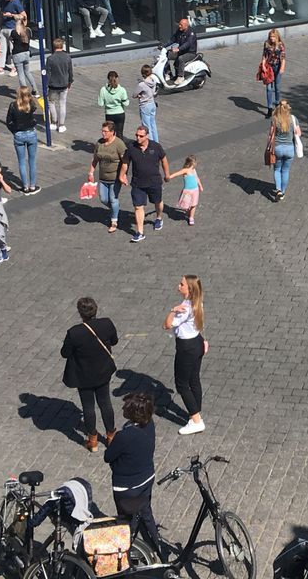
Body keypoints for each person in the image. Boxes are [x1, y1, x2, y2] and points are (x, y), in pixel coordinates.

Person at [105, 392, 162, 556]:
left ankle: (126, 550)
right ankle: (158, 548)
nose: (123, 408)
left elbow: (108, 456)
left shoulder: (124, 436)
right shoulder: (149, 424)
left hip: (126, 487)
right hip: (147, 479)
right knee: (146, 512)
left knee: (125, 521)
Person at [62, 296, 120, 452]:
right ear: (96, 309)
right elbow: (114, 341)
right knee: (105, 403)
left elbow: (65, 353)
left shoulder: (74, 333)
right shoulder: (106, 323)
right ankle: (111, 436)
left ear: (80, 313)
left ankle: (92, 440)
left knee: (88, 406)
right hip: (102, 372)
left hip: (83, 376)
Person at [165, 275, 207, 435]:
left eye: (181, 284)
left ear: (189, 289)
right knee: (194, 379)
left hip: (186, 347)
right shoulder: (197, 302)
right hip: (197, 342)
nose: (178, 286)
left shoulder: (184, 308)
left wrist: (172, 311)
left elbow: (167, 325)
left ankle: (196, 420)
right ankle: (195, 412)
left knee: (182, 384)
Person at [119, 125, 169, 243]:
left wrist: (167, 174)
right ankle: (140, 232)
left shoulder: (156, 147)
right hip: (138, 183)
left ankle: (159, 217)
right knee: (138, 206)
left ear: (147, 136)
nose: (138, 138)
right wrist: (122, 175)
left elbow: (164, 160)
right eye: (136, 135)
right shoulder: (131, 148)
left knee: (158, 202)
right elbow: (125, 163)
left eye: (141, 136)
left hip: (154, 181)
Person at [88, 122, 127, 233]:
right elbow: (95, 159)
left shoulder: (119, 144)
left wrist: (123, 175)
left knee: (113, 199)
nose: (103, 133)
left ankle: (114, 222)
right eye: (102, 131)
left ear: (112, 132)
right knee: (104, 199)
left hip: (115, 178)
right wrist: (91, 172)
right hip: (103, 178)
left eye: (105, 131)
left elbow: (125, 162)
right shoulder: (99, 143)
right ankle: (116, 210)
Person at [5, 87, 40, 194]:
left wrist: (15, 131)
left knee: (21, 161)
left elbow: (8, 121)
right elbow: (34, 113)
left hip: (19, 134)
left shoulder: (13, 105)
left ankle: (25, 187)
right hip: (31, 133)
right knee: (32, 161)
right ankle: (33, 186)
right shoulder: (31, 104)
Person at [268, 101, 301, 201]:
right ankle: (282, 192)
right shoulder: (293, 119)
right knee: (285, 171)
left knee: (277, 169)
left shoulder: (275, 119)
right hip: (289, 149)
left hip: (278, 148)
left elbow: (271, 134)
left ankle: (278, 190)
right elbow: (298, 133)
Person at [0, 0, 25, 75]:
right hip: (3, 27)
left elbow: (23, 15)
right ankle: (0, 67)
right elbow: (1, 13)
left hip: (12, 28)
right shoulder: (3, 2)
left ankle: (15, 67)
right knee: (2, 49)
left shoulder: (16, 2)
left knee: (12, 48)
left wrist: (12, 15)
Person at [45, 37, 72, 133]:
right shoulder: (67, 57)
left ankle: (54, 122)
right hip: (64, 84)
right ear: (62, 46)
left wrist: (45, 84)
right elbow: (70, 71)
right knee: (62, 104)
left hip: (53, 85)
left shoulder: (50, 59)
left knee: (51, 103)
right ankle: (61, 125)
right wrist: (70, 82)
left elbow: (48, 73)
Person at [167, 155, 203, 225]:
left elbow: (197, 178)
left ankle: (191, 217)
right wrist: (169, 177)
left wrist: (200, 186)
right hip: (188, 192)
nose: (196, 164)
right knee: (187, 205)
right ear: (192, 163)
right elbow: (176, 174)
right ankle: (188, 212)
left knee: (194, 204)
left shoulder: (194, 170)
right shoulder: (185, 170)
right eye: (195, 163)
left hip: (195, 190)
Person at [261, 28, 287, 117]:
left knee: (277, 87)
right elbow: (264, 55)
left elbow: (283, 58)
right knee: (268, 88)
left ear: (277, 37)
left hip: (277, 67)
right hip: (269, 68)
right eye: (270, 36)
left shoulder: (280, 45)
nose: (272, 38)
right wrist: (263, 65)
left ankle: (277, 104)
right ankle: (269, 108)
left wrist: (282, 68)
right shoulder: (266, 44)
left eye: (273, 37)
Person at [11, 18, 40, 95]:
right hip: (26, 53)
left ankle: (25, 94)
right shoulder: (28, 31)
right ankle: (35, 90)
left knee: (21, 75)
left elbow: (10, 39)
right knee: (27, 72)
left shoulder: (14, 32)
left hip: (17, 54)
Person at [98, 71, 130, 139]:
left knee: (110, 133)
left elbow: (100, 103)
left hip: (109, 114)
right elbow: (126, 104)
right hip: (120, 114)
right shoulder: (122, 90)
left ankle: (110, 147)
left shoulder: (103, 90)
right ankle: (120, 148)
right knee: (119, 133)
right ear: (117, 78)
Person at [134, 65, 160, 143]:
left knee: (146, 126)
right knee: (153, 124)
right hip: (152, 103)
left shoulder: (142, 84)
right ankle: (156, 142)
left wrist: (139, 95)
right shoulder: (153, 81)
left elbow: (134, 94)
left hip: (145, 105)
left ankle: (150, 143)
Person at [168, 17, 197, 83]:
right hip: (181, 51)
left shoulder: (191, 33)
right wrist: (163, 46)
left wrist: (178, 49)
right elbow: (172, 39)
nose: (179, 26)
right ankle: (168, 73)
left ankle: (181, 77)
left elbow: (188, 43)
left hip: (190, 53)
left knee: (181, 58)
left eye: (181, 25)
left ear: (186, 26)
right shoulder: (179, 31)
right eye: (179, 24)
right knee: (167, 54)